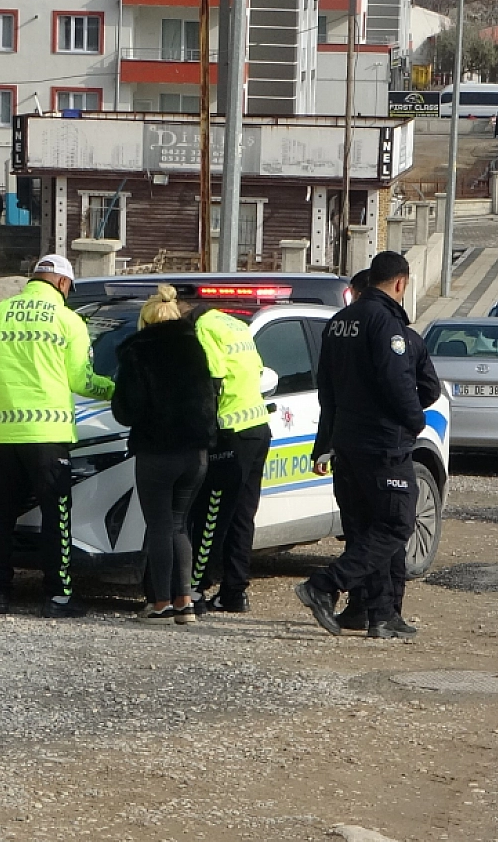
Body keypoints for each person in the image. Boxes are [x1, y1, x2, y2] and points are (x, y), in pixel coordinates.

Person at [294, 251, 443, 640]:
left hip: (347, 443)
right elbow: (399, 385)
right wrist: (415, 421)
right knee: (396, 524)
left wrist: (324, 443)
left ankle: (376, 613)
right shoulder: (387, 326)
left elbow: (327, 391)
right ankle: (324, 586)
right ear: (401, 283)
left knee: (366, 530)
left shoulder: (339, 323)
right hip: (383, 444)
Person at [0, 255, 114, 618]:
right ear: (63, 284)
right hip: (49, 435)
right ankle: (57, 597)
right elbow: (81, 380)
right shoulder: (69, 320)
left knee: (0, 516)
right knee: (56, 515)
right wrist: (116, 390)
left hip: (2, 434)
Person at [111, 286, 219, 625]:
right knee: (179, 525)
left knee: (158, 525)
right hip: (196, 453)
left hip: (157, 452)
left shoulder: (137, 351)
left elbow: (127, 411)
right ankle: (185, 602)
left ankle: (160, 604)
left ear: (145, 319)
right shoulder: (195, 347)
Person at [187, 299, 272, 614]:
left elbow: (214, 375)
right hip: (257, 428)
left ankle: (195, 589)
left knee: (211, 515)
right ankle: (234, 592)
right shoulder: (235, 324)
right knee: (241, 516)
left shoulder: (202, 328)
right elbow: (258, 370)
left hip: (230, 431)